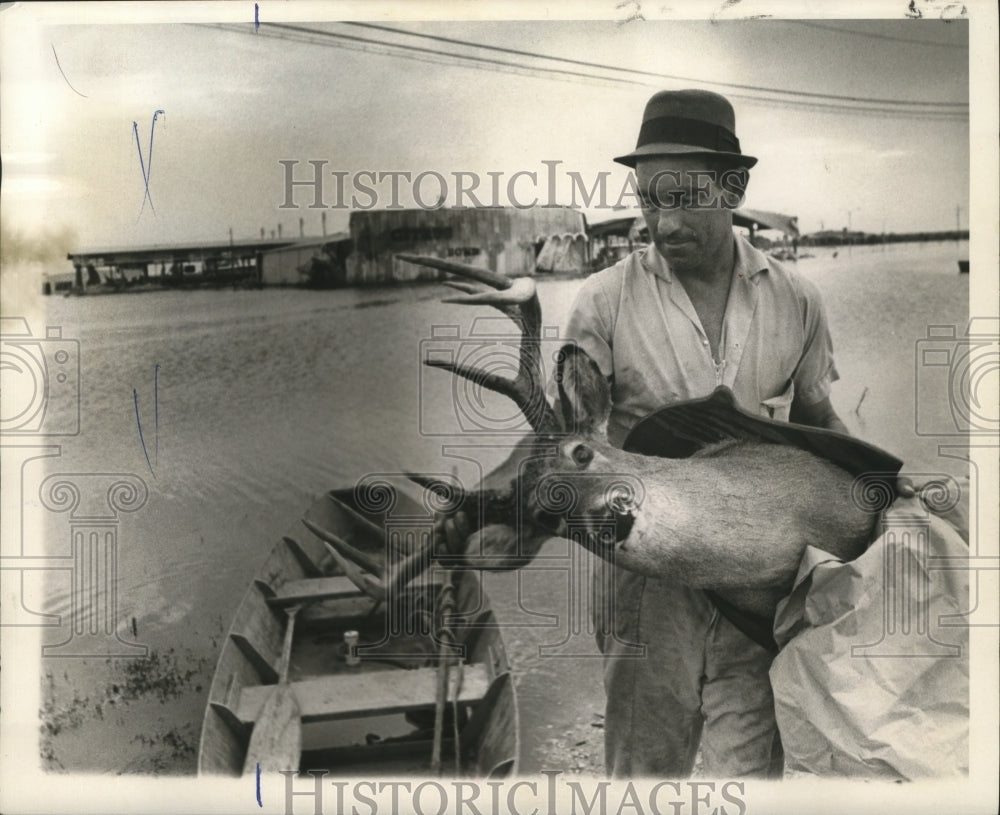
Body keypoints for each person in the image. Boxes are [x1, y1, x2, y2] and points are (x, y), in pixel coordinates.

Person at [562, 89, 848, 778]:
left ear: (735, 185)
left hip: (760, 587)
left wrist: (896, 495)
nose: (663, 221)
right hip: (646, 588)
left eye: (685, 197)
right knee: (644, 768)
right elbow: (570, 448)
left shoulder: (796, 299)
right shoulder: (603, 301)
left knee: (746, 773)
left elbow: (821, 428)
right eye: (648, 201)